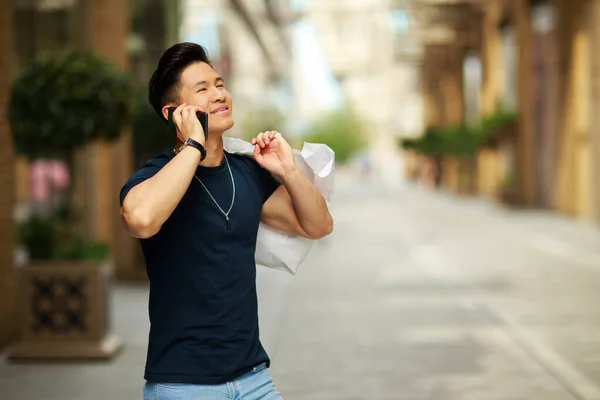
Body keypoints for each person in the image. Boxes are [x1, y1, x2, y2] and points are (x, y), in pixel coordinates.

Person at [119, 42, 333, 400]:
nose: (219, 95)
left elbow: (318, 226)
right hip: (183, 384)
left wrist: (288, 172)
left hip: (253, 378)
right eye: (203, 90)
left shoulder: (247, 172)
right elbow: (141, 220)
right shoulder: (152, 178)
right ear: (174, 113)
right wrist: (193, 145)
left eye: (219, 84)